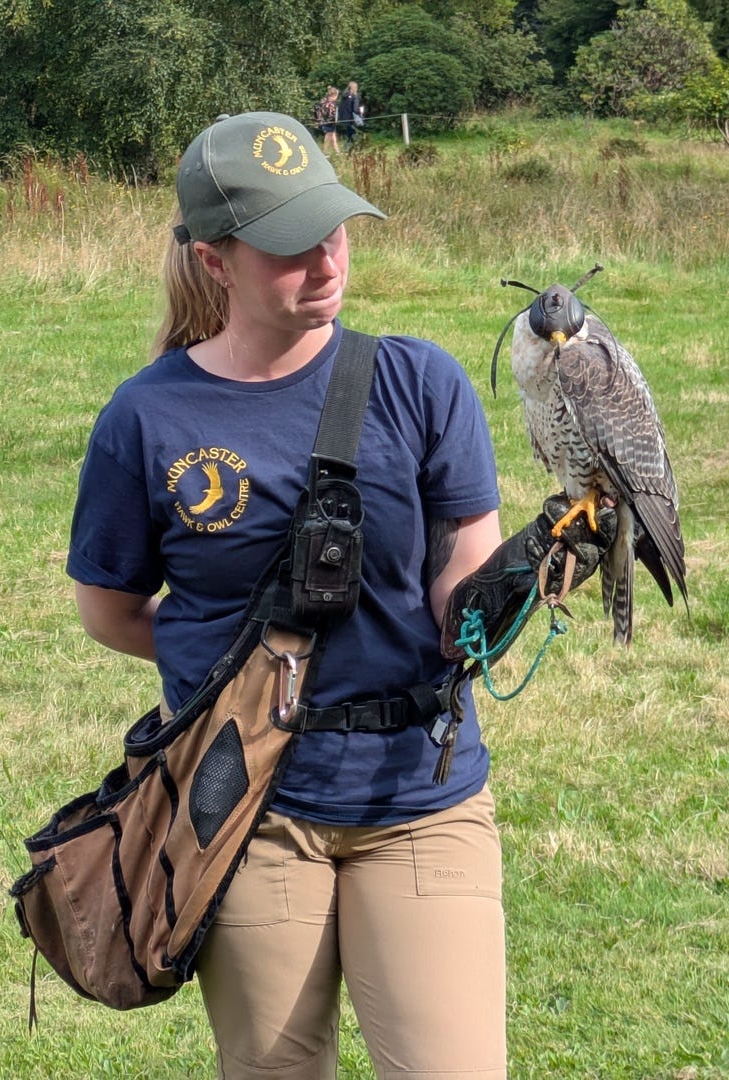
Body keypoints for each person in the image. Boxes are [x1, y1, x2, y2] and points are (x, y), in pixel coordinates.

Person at [67, 112, 613, 1079]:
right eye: (286, 245)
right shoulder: (147, 418)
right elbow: (111, 612)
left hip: (421, 795)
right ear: (212, 260)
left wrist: (538, 567)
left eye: (335, 228)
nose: (324, 261)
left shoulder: (420, 383)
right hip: (248, 809)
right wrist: (253, 676)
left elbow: (460, 613)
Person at [338, 80, 364, 147]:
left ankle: (347, 147)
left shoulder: (344, 96)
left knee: (348, 133)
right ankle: (351, 148)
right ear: (355, 88)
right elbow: (355, 109)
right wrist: (360, 112)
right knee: (353, 133)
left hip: (343, 117)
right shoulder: (355, 96)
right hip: (351, 118)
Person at [317, 85, 340, 154]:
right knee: (328, 137)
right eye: (337, 96)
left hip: (324, 121)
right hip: (330, 123)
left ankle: (337, 152)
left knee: (333, 137)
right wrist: (335, 121)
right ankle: (324, 152)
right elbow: (331, 114)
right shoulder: (331, 104)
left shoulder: (323, 101)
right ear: (334, 95)